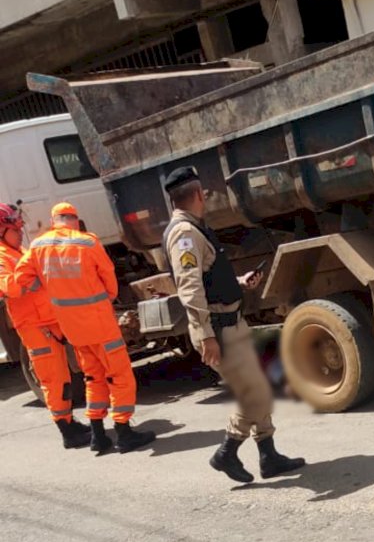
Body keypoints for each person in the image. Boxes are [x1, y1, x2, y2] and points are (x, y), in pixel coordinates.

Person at [162, 166, 304, 483]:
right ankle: (227, 452)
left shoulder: (195, 228)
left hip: (230, 322)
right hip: (218, 329)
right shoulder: (184, 235)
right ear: (198, 194)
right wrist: (205, 336)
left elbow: (208, 279)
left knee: (258, 386)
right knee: (254, 392)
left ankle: (268, 456)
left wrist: (239, 282)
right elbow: (190, 289)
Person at [15, 202, 155, 454]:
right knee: (119, 375)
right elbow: (109, 279)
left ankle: (98, 435)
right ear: (75, 221)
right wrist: (106, 298)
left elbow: (18, 281)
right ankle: (124, 433)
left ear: (54, 220)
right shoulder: (87, 242)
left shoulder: (37, 246)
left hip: (72, 329)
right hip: (100, 323)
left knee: (93, 377)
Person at [0, 203, 90, 448]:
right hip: (34, 327)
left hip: (48, 322)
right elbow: (12, 287)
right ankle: (67, 431)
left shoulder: (16, 251)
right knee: (54, 378)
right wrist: (31, 263)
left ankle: (71, 422)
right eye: (14, 228)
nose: (20, 231)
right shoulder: (3, 256)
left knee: (67, 374)